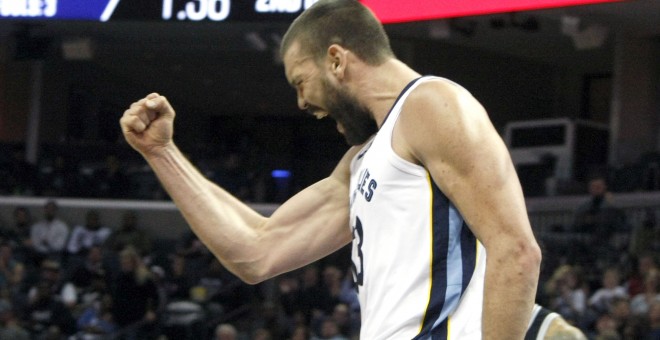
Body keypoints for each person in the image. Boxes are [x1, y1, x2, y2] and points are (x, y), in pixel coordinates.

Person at [119, 0, 541, 338]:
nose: (301, 103)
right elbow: (255, 251)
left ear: (336, 60)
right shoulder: (360, 161)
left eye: (301, 82)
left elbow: (516, 251)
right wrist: (162, 153)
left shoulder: (431, 104)